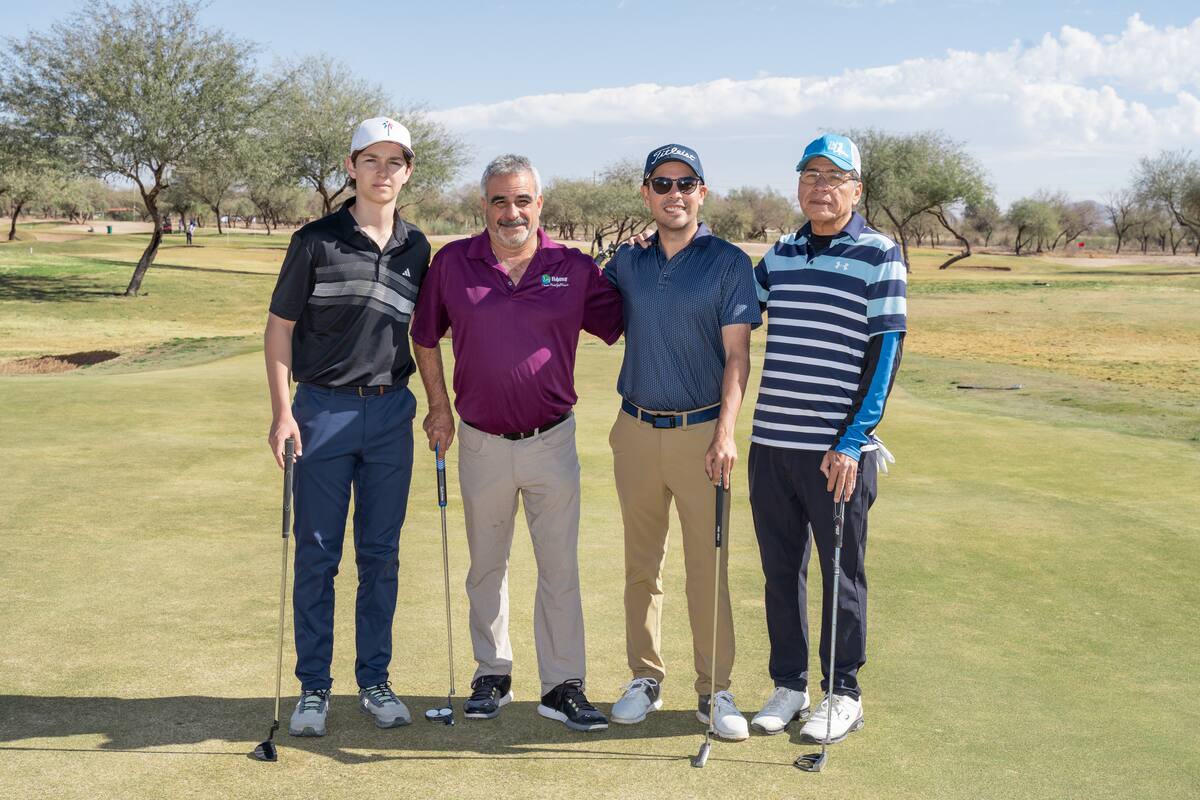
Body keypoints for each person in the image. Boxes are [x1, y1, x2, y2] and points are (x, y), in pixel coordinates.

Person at [410, 154, 623, 732]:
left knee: (559, 568)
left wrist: (639, 260)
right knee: (486, 566)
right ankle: (492, 674)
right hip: (481, 442)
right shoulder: (453, 263)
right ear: (484, 206)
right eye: (500, 200)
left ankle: (562, 684)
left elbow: (621, 321)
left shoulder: (571, 267)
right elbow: (424, 336)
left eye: (522, 200)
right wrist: (439, 408)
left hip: (552, 441)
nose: (512, 212)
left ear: (539, 204)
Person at [264, 116, 431, 737]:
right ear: (351, 167)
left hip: (390, 412)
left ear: (407, 172)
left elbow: (427, 333)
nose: (383, 172)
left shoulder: (418, 247)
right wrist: (282, 412)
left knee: (381, 556)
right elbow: (279, 328)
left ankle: (375, 680)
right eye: (371, 160)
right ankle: (314, 687)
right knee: (318, 555)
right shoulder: (315, 240)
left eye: (395, 162)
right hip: (322, 411)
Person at [746, 134, 906, 743]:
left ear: (856, 190)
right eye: (811, 176)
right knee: (780, 572)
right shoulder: (781, 254)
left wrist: (853, 440)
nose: (821, 187)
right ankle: (790, 685)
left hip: (835, 451)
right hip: (771, 442)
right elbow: (736, 309)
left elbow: (886, 353)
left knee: (842, 574)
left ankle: (844, 693)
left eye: (834, 178)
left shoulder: (880, 253)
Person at [604, 144, 761, 741]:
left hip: (702, 435)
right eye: (662, 183)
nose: (675, 193)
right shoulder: (628, 261)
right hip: (635, 429)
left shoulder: (729, 262)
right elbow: (587, 302)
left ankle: (714, 689)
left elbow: (738, 356)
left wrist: (725, 433)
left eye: (686, 183)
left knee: (707, 569)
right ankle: (644, 678)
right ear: (646, 193)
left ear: (702, 192)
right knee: (641, 567)